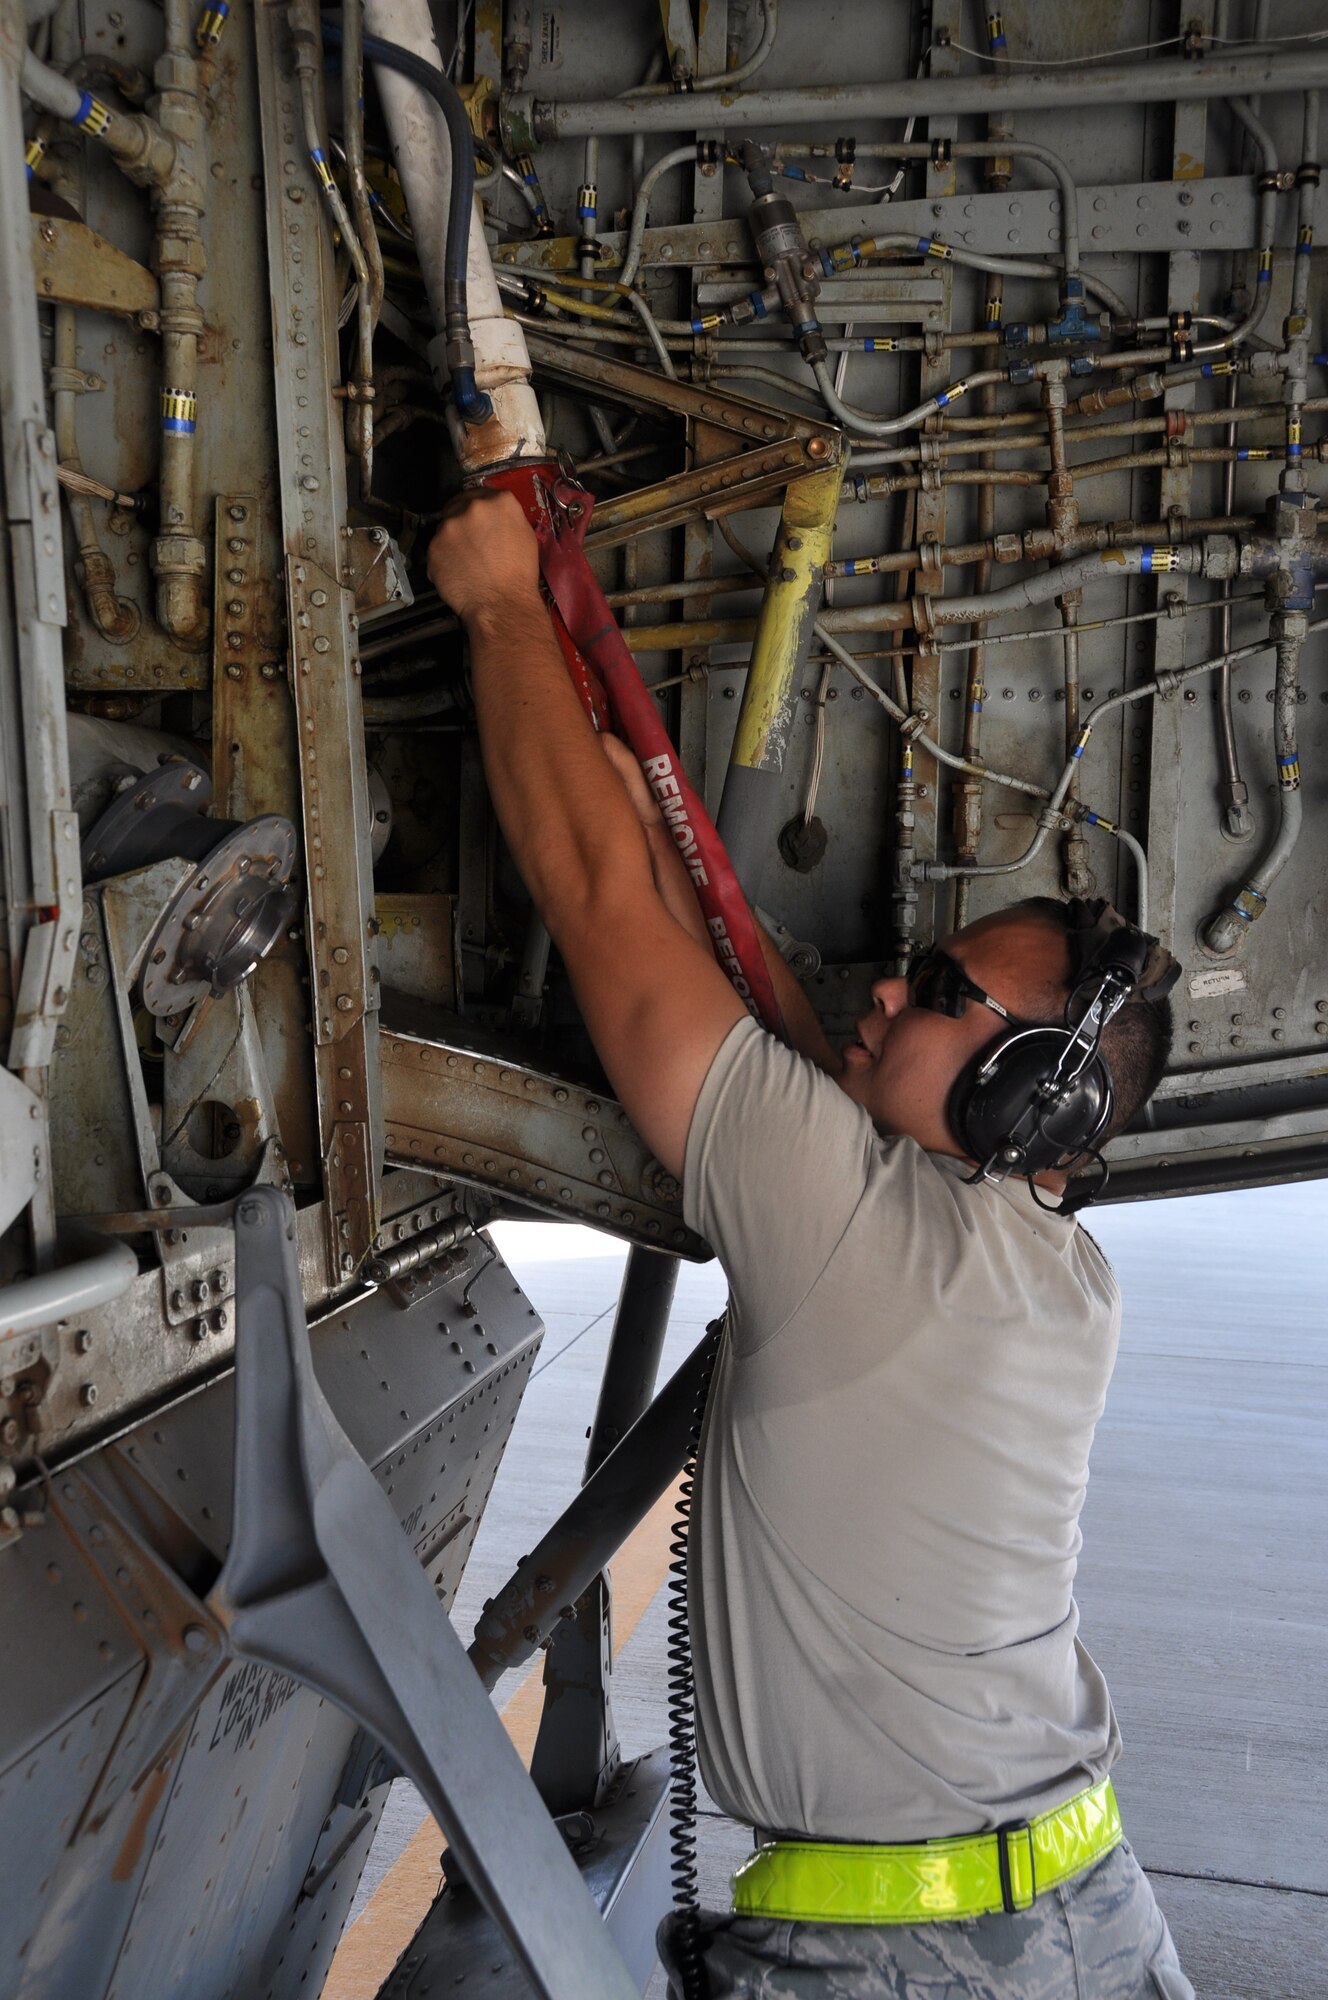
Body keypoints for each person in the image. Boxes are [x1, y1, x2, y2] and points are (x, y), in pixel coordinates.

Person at [427, 487, 1192, 2000]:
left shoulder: (853, 1227)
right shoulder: (1055, 1274)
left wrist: (504, 609)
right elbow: (727, 979)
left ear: (1020, 1093)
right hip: (1082, 1919)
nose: (887, 998)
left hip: (895, 1959)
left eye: (936, 991)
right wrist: (613, 744)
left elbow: (595, 900)